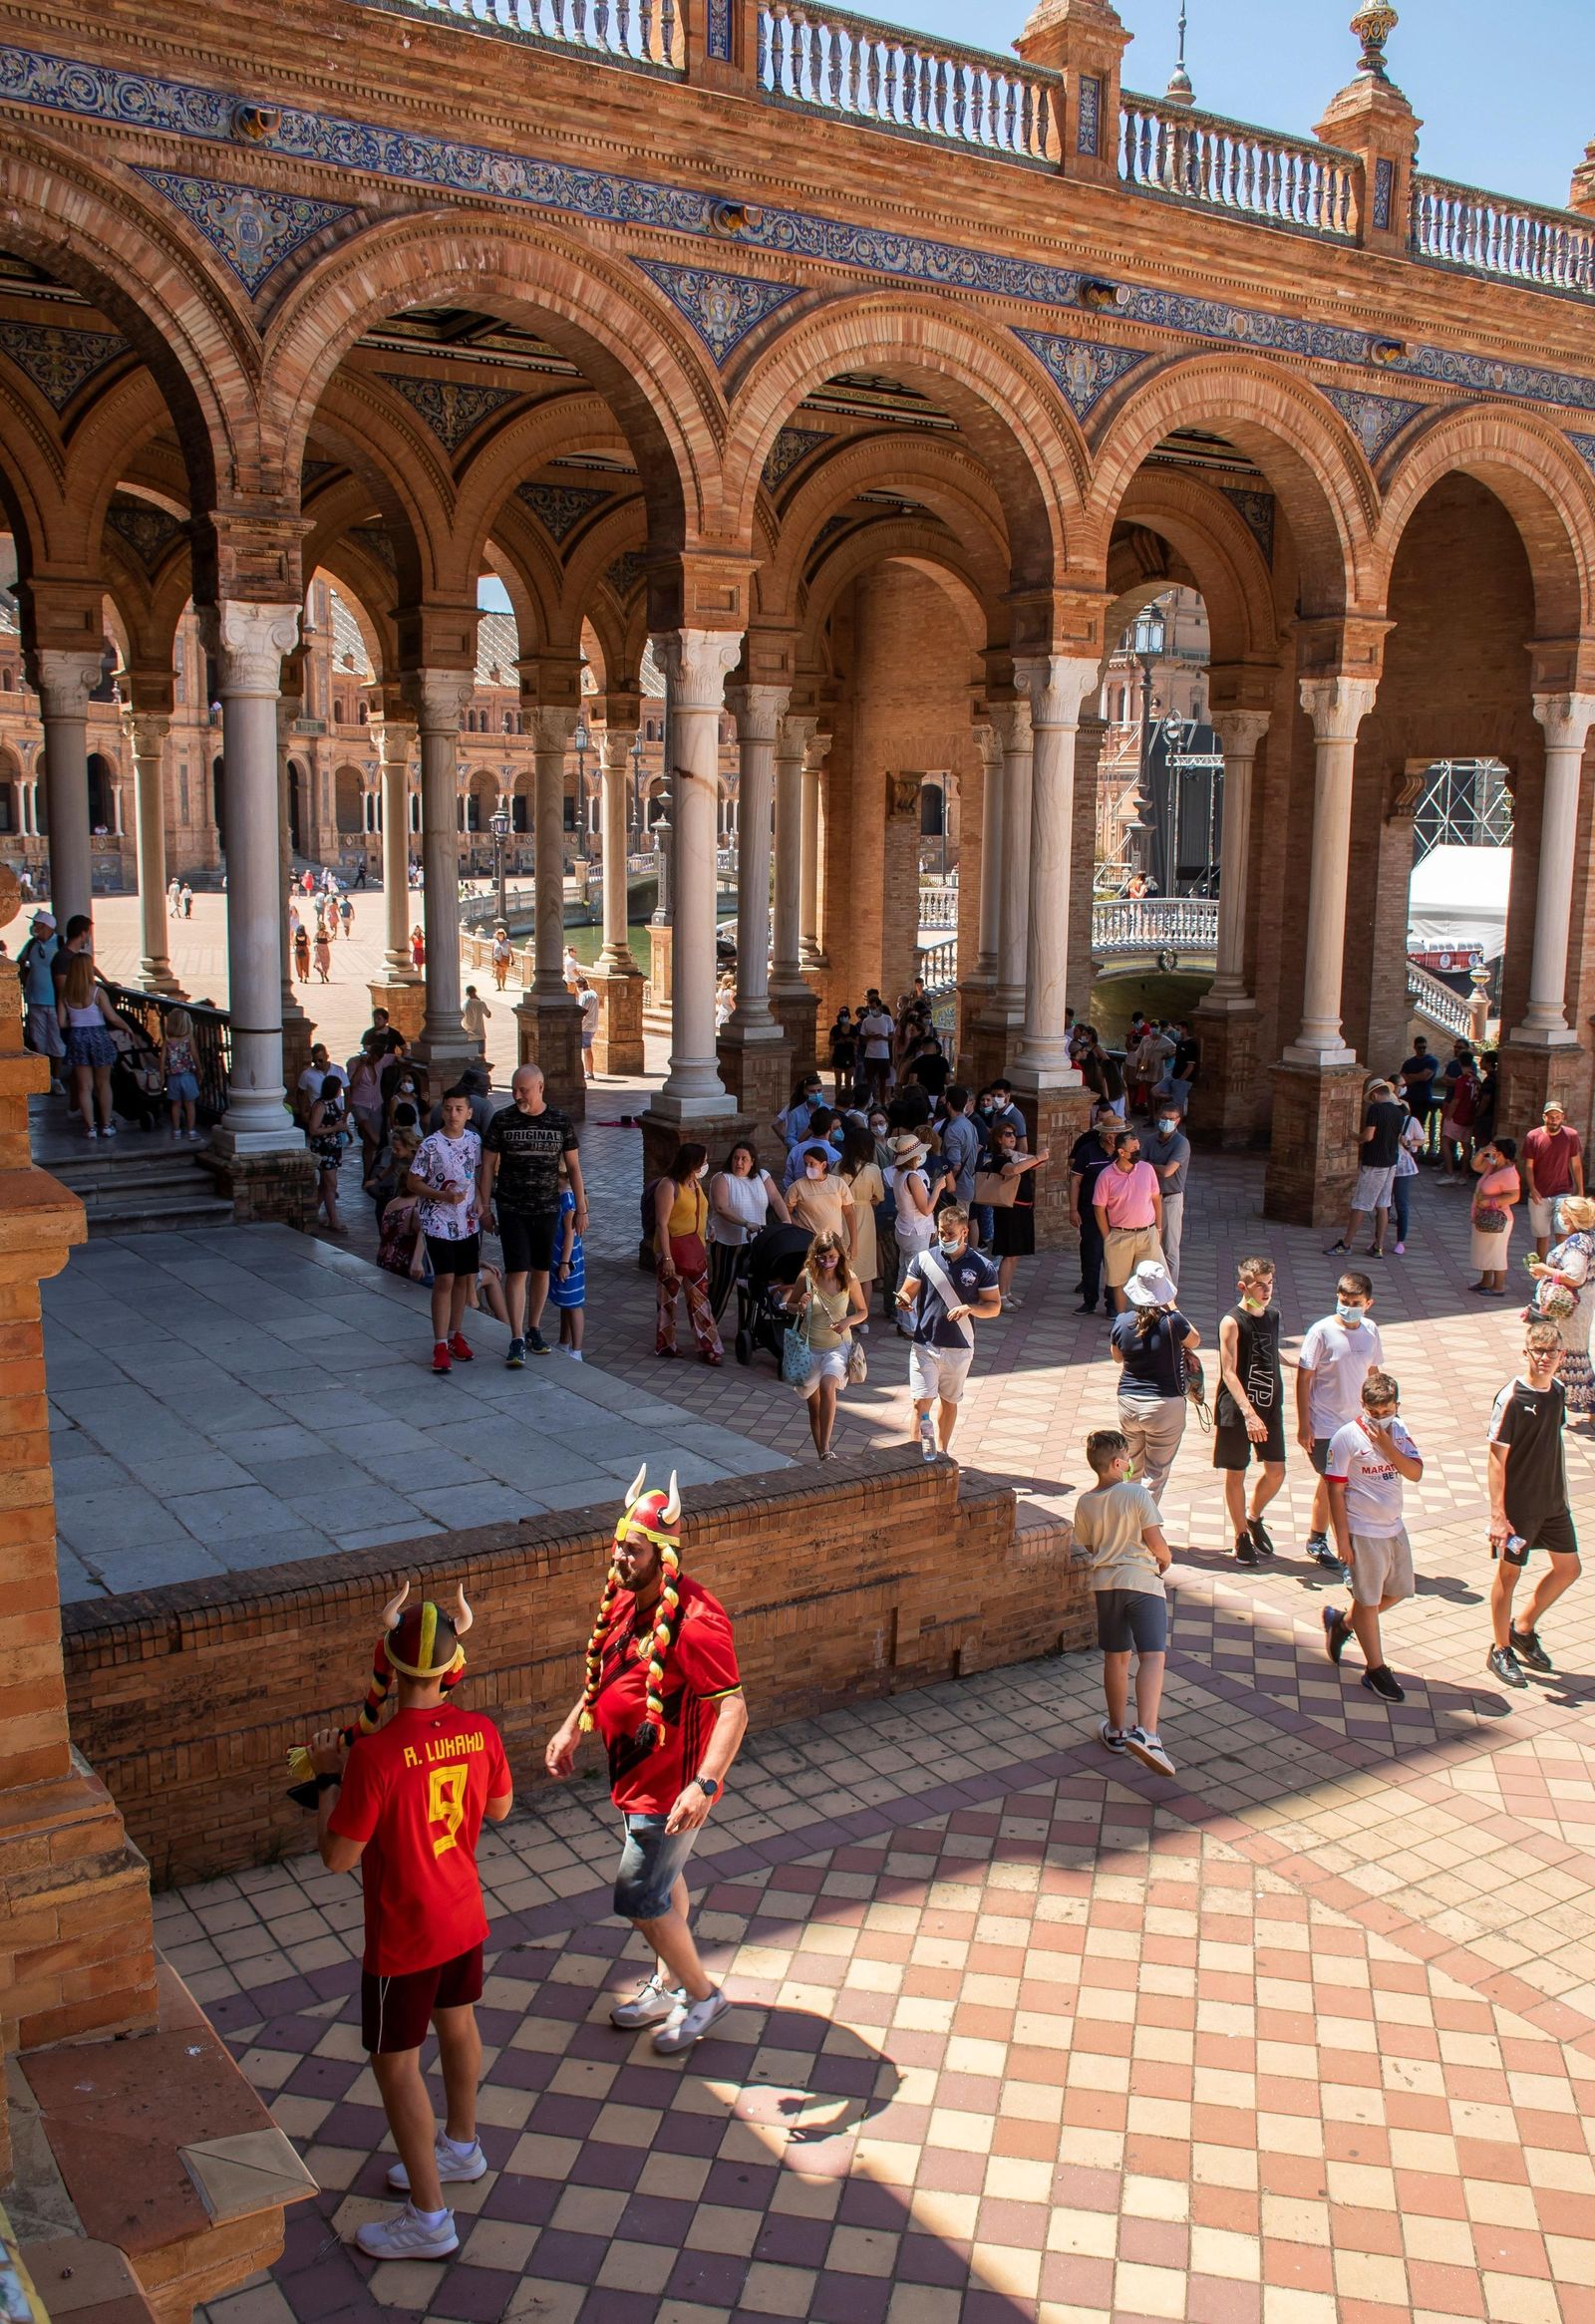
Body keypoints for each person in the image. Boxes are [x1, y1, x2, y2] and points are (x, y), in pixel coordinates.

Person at [309, 1584, 511, 2261]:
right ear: (453, 1668)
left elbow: (339, 1857)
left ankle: (429, 2220)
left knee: (394, 2067)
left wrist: (324, 1784)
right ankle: (461, 2146)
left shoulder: (374, 1755)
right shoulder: (481, 1732)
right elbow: (502, 1810)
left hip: (404, 1937)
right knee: (458, 2024)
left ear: (390, 1667)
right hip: (464, 1914)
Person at [544, 1471, 748, 2052]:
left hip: (673, 1793)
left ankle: (703, 1994)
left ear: (664, 1555)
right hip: (633, 1783)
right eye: (617, 1547)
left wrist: (704, 1786)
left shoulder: (698, 1622)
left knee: (638, 1896)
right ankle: (668, 1983)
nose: (619, 1558)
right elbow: (606, 1676)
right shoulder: (626, 1599)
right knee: (665, 1883)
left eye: (631, 1550)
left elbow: (733, 1710)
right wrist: (569, 1727)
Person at [1071, 1428, 1176, 1775]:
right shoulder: (1136, 1494)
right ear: (1118, 1463)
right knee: (1152, 1656)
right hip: (1143, 1582)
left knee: (1116, 1659)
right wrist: (1165, 1560)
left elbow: (1089, 1546)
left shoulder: (1085, 1502)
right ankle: (1148, 1732)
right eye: (1128, 1459)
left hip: (1106, 1586)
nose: (1131, 1465)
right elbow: (1155, 1542)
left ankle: (1116, 1730)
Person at [1487, 1319, 1581, 1687]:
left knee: (1568, 1569)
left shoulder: (1558, 1391)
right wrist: (1498, 1515)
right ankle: (1500, 1648)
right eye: (1538, 1352)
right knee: (1508, 1576)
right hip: (1518, 1508)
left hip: (1553, 1502)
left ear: (1561, 1356)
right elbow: (1496, 1457)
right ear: (1526, 1352)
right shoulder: (1512, 1396)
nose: (1544, 1359)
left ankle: (1523, 1627)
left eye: (1551, 1352)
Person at [1321, 1369, 1424, 1703]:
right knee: (1368, 1600)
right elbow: (1334, 1492)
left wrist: (1387, 1445)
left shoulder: (1399, 1431)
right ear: (1362, 1405)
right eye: (1374, 1412)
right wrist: (1342, 1540)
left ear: (1396, 1406)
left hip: (1394, 1527)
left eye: (1387, 1412)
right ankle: (1375, 1669)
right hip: (1363, 1530)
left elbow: (1415, 1472)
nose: (1380, 1419)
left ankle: (1343, 1623)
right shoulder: (1346, 1437)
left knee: (1396, 1592)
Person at [478, 1063, 585, 1364]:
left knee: (541, 1270)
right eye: (514, 1089)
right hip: (512, 1207)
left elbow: (574, 1167)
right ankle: (515, 1337)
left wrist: (581, 1207)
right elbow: (487, 1167)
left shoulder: (560, 1121)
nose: (517, 1095)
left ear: (540, 1087)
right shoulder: (502, 1120)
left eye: (523, 1090)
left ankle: (534, 1328)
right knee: (516, 1271)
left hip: (548, 1208)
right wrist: (484, 1207)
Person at [896, 1203, 1001, 1459]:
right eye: (941, 1232)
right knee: (921, 1401)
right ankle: (916, 1453)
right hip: (925, 1343)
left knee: (949, 1401)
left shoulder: (982, 1267)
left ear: (965, 1232)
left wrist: (970, 1309)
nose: (944, 1238)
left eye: (950, 1234)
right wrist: (903, 1300)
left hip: (959, 1345)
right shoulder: (924, 1258)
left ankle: (941, 1453)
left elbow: (994, 1307)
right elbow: (907, 1290)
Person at [1296, 1271, 1384, 1573]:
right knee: (1339, 1488)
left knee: (1333, 1483)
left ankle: (1317, 1538)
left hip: (1357, 1425)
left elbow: (1374, 1373)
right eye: (1343, 1301)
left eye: (1355, 1302)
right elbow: (1304, 1377)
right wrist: (1304, 1424)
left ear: (1368, 1304)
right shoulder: (1321, 1332)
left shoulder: (1371, 1330)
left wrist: (1380, 1415)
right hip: (1324, 1426)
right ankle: (1349, 1557)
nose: (1348, 1307)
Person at [1215, 1255, 1287, 1568]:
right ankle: (1241, 1535)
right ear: (1243, 1286)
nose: (1266, 1290)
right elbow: (1229, 1371)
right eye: (1259, 1285)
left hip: (1270, 1405)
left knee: (1276, 1472)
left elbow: (1267, 1348)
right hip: (1239, 1409)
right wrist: (1248, 1412)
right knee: (1237, 1473)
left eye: (1270, 1284)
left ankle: (1254, 1516)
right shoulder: (1231, 1321)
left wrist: (1292, 1361)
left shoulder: (1272, 1317)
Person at [1110, 1260, 1199, 1505]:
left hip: (1129, 1403)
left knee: (1131, 1468)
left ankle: (1127, 1519)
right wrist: (1174, 1308)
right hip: (1164, 1405)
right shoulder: (1174, 1322)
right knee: (1155, 1474)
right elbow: (1195, 1340)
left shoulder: (1122, 1321)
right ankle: (1144, 1528)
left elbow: (1117, 1357)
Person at [409, 1085, 484, 1373]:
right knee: (445, 1279)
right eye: (449, 1108)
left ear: (469, 1112)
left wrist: (481, 1202)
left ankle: (456, 1335)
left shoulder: (474, 1141)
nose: (453, 1114)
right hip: (438, 1221)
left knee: (464, 1280)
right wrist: (441, 1195)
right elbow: (413, 1182)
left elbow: (480, 1174)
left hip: (467, 1222)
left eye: (459, 1109)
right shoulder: (431, 1145)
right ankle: (439, 1342)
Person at [785, 1231, 867, 1459]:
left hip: (838, 1346)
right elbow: (788, 1306)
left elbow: (863, 1311)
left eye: (832, 1257)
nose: (828, 1262)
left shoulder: (848, 1278)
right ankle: (822, 1451)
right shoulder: (806, 1277)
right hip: (809, 1347)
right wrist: (799, 1306)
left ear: (840, 1255)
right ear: (815, 1256)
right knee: (813, 1406)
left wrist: (848, 1320)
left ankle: (827, 1448)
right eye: (823, 1258)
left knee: (828, 1385)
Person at [652, 1143, 723, 1364]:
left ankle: (708, 1345)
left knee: (700, 1300)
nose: (705, 1164)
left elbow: (700, 1212)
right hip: (672, 1250)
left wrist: (707, 1229)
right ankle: (666, 1344)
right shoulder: (668, 1185)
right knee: (668, 1301)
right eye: (702, 1161)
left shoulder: (696, 1183)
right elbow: (662, 1223)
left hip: (695, 1249)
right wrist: (667, 1257)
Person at [1527, 1194, 1595, 1423]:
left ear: (1571, 1218)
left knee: (1567, 1356)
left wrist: (1545, 1271)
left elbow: (1574, 1277)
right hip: (1581, 1306)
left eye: (1563, 1214)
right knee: (1573, 1355)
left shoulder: (1578, 1243)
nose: (1561, 1218)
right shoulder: (1589, 1238)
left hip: (1570, 1310)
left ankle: (1571, 1408)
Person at [707, 1141, 789, 1320]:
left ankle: (746, 1329)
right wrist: (745, 1223)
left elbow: (776, 1199)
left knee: (751, 1288)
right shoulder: (722, 1178)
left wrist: (786, 1222)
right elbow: (721, 1207)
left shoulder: (762, 1176)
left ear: (752, 1161)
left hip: (755, 1243)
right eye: (736, 1158)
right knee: (722, 1286)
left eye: (744, 1159)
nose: (739, 1163)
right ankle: (709, 1330)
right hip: (728, 1243)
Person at [1326, 1077, 1406, 1260]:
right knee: (1383, 1204)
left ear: (1376, 1094)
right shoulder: (1398, 1111)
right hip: (1390, 1161)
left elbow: (1369, 1136)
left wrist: (1356, 1138)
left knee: (1361, 1204)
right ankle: (1378, 1246)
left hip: (1374, 1163)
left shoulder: (1376, 1109)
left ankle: (1346, 1243)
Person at [1094, 1130, 1164, 1314]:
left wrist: (1158, 1227)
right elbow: (1099, 1208)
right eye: (1133, 1149)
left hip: (1147, 1233)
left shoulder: (1147, 1169)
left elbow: (1156, 1198)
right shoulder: (1106, 1176)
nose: (1138, 1152)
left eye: (1138, 1147)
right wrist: (1107, 1236)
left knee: (1149, 1279)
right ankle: (1122, 1320)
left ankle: (1147, 1320)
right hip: (1119, 1235)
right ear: (1121, 1152)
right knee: (1119, 1281)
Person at [979, 1116, 1047, 1307]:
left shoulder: (1014, 1155)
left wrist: (1034, 1158)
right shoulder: (1000, 1159)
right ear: (999, 1138)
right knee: (1008, 1253)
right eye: (1007, 1135)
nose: (1012, 1138)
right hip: (1009, 1211)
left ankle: (1007, 1291)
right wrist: (1036, 1157)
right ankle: (1000, 1295)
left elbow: (1036, 1164)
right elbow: (1013, 1170)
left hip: (1023, 1209)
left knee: (1015, 1254)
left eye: (1014, 1135)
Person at [57, 951, 120, 1139]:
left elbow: (61, 1023)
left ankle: (90, 1128)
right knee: (104, 1084)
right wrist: (126, 1028)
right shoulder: (97, 992)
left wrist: (75, 1024)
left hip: (77, 1037)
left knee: (85, 1087)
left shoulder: (65, 994)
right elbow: (112, 1017)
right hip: (98, 1036)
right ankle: (106, 1125)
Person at [1069, 1104, 1119, 1316]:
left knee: (1115, 1261)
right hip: (1090, 1214)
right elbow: (1075, 1181)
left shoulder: (1124, 1154)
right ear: (1107, 1136)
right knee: (1091, 1258)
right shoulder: (1087, 1152)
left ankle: (1113, 1305)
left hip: (1118, 1216)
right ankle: (1089, 1301)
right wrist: (1073, 1209)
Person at [1523, 1099, 1585, 1260]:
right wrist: (1532, 1188)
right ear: (1544, 1117)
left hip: (1563, 1191)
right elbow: (1529, 1166)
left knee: (1562, 1232)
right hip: (1540, 1192)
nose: (1554, 1120)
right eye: (1551, 1116)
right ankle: (1543, 1269)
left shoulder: (1571, 1135)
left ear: (1562, 1117)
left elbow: (1576, 1165)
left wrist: (1580, 1191)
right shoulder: (1533, 1136)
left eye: (1557, 1116)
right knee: (1542, 1235)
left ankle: (1560, 1267)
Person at [887, 1130, 938, 1316]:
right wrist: (938, 1188)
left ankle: (903, 1319)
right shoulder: (913, 1177)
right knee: (914, 1277)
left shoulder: (899, 1175)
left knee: (904, 1273)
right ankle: (910, 1322)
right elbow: (926, 1208)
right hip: (915, 1233)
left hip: (905, 1229)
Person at [837, 1122, 884, 1320]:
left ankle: (840, 1314)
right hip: (864, 1216)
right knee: (865, 1272)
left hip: (839, 1216)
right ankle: (862, 1317)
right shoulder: (873, 1169)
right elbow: (879, 1196)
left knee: (841, 1268)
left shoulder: (836, 1166)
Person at [1142, 1097, 1190, 1288]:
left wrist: (1148, 1165)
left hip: (1170, 1198)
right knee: (1149, 1246)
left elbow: (1168, 1172)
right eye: (1164, 1117)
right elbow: (1138, 1166)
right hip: (1149, 1198)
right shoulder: (1149, 1140)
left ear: (1178, 1120)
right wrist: (1152, 1167)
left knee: (1170, 1248)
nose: (1167, 1122)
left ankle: (1170, 1292)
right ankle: (1150, 1287)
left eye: (1172, 1118)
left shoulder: (1181, 1143)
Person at [17, 910, 63, 1092]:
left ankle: (56, 1079)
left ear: (47, 927)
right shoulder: (31, 945)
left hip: (55, 1002)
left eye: (37, 924)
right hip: (35, 1001)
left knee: (57, 1042)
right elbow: (20, 962)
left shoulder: (61, 943)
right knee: (38, 1042)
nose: (34, 928)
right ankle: (43, 1078)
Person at [788, 1137, 857, 1259]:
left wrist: (854, 1243)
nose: (808, 1167)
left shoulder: (838, 1183)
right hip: (810, 1243)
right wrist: (798, 1224)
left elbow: (849, 1213)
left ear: (823, 1164)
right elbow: (785, 1211)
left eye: (812, 1164)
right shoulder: (797, 1186)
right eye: (806, 1164)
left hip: (835, 1242)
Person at [1469, 1135, 1521, 1296]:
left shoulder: (1508, 1173)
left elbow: (1514, 1195)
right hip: (1485, 1216)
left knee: (1497, 1252)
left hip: (1499, 1218)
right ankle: (1485, 1281)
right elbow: (1475, 1166)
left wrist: (1490, 1202)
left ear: (1499, 1153)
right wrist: (1481, 1152)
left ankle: (1498, 1286)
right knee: (1486, 1250)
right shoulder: (1493, 1166)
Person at [548, 1162, 586, 1359]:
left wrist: (564, 1263)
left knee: (573, 1304)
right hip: (560, 1257)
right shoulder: (560, 1198)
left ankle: (577, 1349)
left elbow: (569, 1235)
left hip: (569, 1260)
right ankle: (564, 1342)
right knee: (565, 1303)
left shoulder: (568, 1201)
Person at [307, 1077, 349, 1232]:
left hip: (333, 1149)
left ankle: (313, 1214)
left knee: (325, 1184)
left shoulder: (333, 1103)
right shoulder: (320, 1106)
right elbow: (313, 1129)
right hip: (324, 1150)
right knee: (331, 1184)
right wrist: (335, 1129)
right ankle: (334, 1220)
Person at [937, 1086, 980, 1227]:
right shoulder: (970, 1125)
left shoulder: (953, 1130)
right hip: (967, 1184)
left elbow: (955, 1165)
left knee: (955, 1232)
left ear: (948, 1105)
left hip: (956, 1189)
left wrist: (945, 1184)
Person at [160, 1006, 202, 1140]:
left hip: (173, 1077)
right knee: (190, 1104)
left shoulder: (167, 1041)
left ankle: (176, 1131)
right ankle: (191, 1131)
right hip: (188, 1076)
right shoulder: (189, 1039)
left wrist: (162, 1076)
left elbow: (162, 1060)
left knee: (176, 1105)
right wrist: (200, 1071)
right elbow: (195, 1057)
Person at [1437, 1042, 1478, 1179]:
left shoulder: (1462, 1080)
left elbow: (1456, 1100)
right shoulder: (1476, 1080)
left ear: (1460, 1063)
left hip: (1458, 1115)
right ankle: (1463, 1174)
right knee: (1466, 1145)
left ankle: (1449, 1173)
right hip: (1470, 1115)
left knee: (1445, 1141)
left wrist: (1449, 1116)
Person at [1392, 1099, 1424, 1256]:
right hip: (1386, 1164)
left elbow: (1422, 1140)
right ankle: (1378, 1239)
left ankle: (1400, 1240)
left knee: (1401, 1204)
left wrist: (1409, 1141)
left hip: (1403, 1167)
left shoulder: (1411, 1121)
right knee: (1383, 1205)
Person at [1398, 1035, 1438, 1153]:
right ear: (1415, 1047)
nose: (1422, 1050)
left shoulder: (1431, 1061)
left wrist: (1410, 1076)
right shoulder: (1409, 1063)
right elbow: (1402, 1079)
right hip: (1409, 1098)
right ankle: (1406, 1149)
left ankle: (1417, 1151)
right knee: (1405, 1125)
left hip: (1423, 1099)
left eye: (1424, 1047)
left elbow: (1424, 1077)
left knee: (1419, 1125)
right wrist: (1417, 1077)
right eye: (1420, 1047)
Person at [296, 1041, 348, 1126]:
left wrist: (345, 1114)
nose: (317, 1063)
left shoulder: (339, 1070)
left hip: (337, 1114)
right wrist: (303, 1113)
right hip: (317, 1116)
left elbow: (347, 1093)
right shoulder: (307, 1074)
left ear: (327, 1057)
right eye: (314, 1061)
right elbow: (300, 1094)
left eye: (320, 1060)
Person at [856, 995, 894, 1103]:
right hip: (870, 1055)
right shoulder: (866, 1021)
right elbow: (862, 1039)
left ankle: (882, 1102)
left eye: (873, 1007)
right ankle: (869, 1102)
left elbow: (892, 1036)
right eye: (870, 1008)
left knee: (883, 1081)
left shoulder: (887, 1019)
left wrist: (883, 1037)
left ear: (879, 1007)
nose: (872, 1010)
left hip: (883, 1055)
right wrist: (871, 1037)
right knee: (869, 1081)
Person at [828, 1006, 856, 1103]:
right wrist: (838, 1042)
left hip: (849, 1056)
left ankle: (848, 1100)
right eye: (842, 1016)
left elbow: (858, 1042)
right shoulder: (835, 1028)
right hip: (838, 1056)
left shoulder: (853, 1028)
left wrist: (851, 1040)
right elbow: (830, 1042)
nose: (844, 1018)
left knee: (848, 1081)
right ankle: (838, 1100)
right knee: (838, 1081)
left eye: (845, 1016)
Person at [577, 978, 600, 1078]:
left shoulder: (583, 995)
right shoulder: (594, 993)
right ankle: (588, 1071)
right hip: (593, 1025)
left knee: (587, 1049)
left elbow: (581, 1011)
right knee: (587, 1048)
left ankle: (589, 1072)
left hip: (585, 1026)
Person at [461, 985, 490, 1059]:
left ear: (466, 993)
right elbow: (488, 1015)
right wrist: (479, 1000)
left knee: (468, 1058)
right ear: (475, 992)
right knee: (481, 1058)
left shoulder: (463, 1004)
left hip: (468, 1035)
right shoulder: (481, 1003)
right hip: (480, 1035)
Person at [490, 925, 512, 992]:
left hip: (505, 958)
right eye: (499, 934)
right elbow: (492, 951)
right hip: (497, 958)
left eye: (501, 933)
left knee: (503, 972)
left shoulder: (507, 941)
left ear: (504, 934)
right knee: (497, 972)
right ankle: (499, 986)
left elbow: (510, 950)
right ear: (497, 934)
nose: (500, 935)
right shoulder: (495, 942)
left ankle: (503, 986)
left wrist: (513, 959)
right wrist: (492, 960)